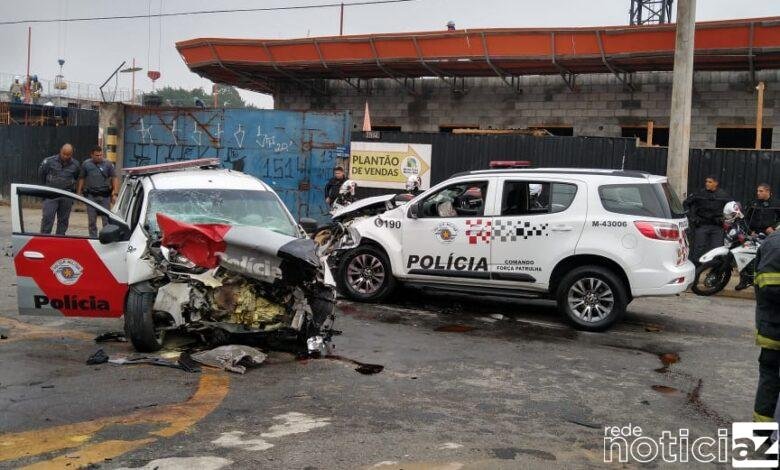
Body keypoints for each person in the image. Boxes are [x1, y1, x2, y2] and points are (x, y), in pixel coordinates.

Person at [752, 229, 780, 422]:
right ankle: (763, 430)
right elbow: (770, 286)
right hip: (775, 329)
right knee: (771, 381)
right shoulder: (776, 244)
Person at [684, 175, 731, 264]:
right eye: (706, 181)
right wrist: (692, 218)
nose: (707, 184)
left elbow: (732, 207)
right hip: (702, 225)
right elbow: (686, 203)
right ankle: (696, 268)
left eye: (710, 182)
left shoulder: (723, 195)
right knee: (698, 248)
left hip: (717, 227)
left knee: (717, 250)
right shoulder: (700, 193)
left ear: (716, 183)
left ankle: (715, 270)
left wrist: (726, 220)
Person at [38, 143, 80, 235]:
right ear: (60, 151)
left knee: (63, 221)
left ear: (72, 154)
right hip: (50, 195)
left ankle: (60, 238)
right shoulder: (49, 161)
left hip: (66, 196)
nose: (65, 156)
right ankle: (44, 238)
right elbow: (42, 175)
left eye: (68, 155)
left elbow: (76, 178)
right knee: (47, 218)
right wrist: (45, 191)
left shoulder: (76, 165)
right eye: (64, 154)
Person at [77, 146, 118, 237]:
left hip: (105, 196)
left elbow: (114, 178)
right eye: (97, 155)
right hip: (91, 196)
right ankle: (93, 237)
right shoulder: (86, 164)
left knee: (106, 220)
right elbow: (81, 178)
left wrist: (115, 193)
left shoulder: (108, 164)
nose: (99, 157)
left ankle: (106, 237)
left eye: (100, 155)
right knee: (92, 220)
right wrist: (79, 193)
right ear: (92, 155)